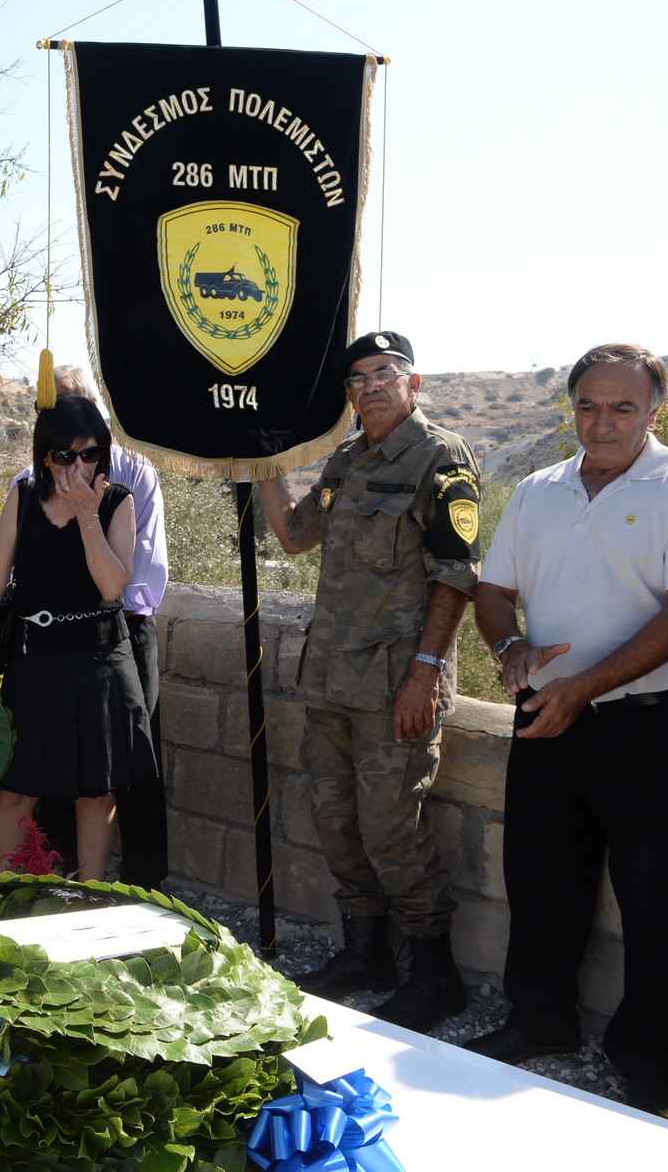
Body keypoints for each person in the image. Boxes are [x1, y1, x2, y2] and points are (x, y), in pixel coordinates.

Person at [465, 343, 668, 1113]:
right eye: (588, 405)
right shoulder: (536, 488)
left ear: (653, 410)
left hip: (652, 727)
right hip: (546, 717)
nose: (602, 422)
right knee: (538, 878)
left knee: (656, 898)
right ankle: (538, 1020)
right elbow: (492, 588)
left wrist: (585, 688)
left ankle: (642, 1049)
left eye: (622, 406)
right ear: (571, 408)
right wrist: (509, 647)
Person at [256, 330, 481, 1034]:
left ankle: (434, 975)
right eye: (358, 378)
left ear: (414, 384)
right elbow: (294, 535)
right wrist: (260, 462)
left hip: (394, 686)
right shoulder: (348, 456)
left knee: (392, 829)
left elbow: (456, 575)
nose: (371, 386)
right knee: (334, 820)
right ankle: (365, 955)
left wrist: (423, 673)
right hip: (329, 679)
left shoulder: (439, 457)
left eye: (386, 373)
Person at [0, 395, 152, 881]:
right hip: (33, 659)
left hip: (99, 659)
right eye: (64, 455)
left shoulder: (119, 501)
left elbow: (111, 586)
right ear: (44, 455)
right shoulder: (22, 495)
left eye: (90, 454)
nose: (77, 466)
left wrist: (86, 515)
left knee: (95, 791)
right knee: (16, 789)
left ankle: (91, 898)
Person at [20, 364, 170, 889]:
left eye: (68, 407)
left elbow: (135, 568)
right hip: (53, 641)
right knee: (59, 769)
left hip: (123, 631)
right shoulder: (30, 479)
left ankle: (144, 884)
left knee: (134, 763)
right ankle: (57, 878)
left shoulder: (133, 475)